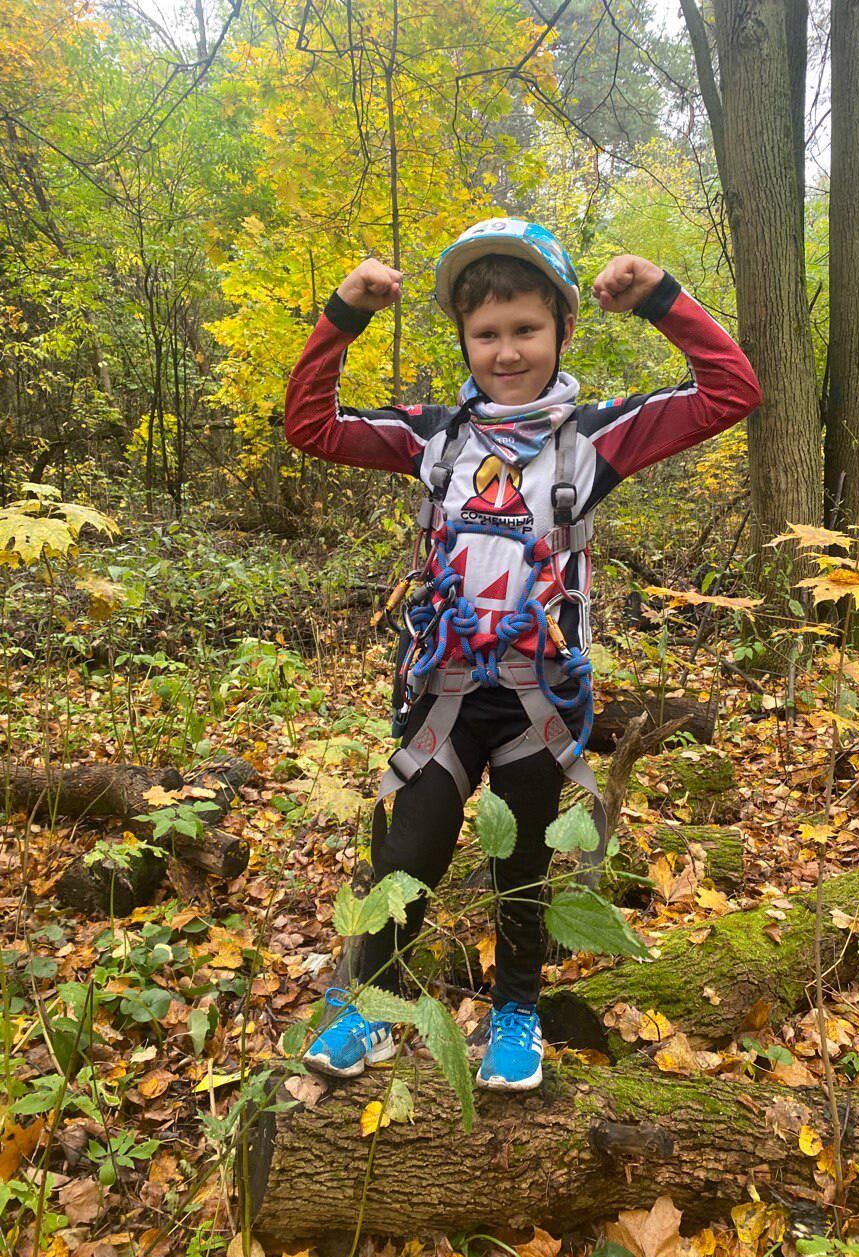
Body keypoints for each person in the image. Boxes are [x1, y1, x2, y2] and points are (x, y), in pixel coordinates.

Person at [285, 217, 761, 1090]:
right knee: (408, 855)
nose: (507, 352)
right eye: (487, 334)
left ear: (563, 329)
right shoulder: (436, 438)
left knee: (523, 868)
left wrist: (661, 297)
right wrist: (342, 315)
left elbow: (730, 392)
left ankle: (516, 1012)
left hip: (542, 698)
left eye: (526, 330)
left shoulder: (595, 435)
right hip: (440, 694)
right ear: (464, 340)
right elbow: (311, 427)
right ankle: (378, 1006)